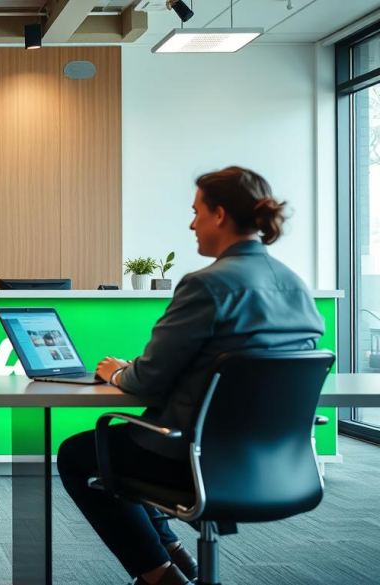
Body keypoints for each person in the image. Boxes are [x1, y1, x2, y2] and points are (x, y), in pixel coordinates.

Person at [57, 167, 325, 585]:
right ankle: (173, 552)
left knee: (79, 455)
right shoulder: (297, 286)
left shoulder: (207, 285)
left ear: (219, 215)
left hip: (194, 458)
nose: (191, 223)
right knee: (115, 450)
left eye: (197, 211)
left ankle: (160, 576)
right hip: (277, 462)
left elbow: (146, 381)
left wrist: (117, 372)